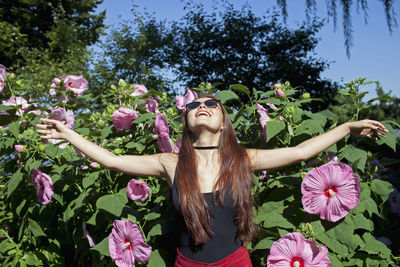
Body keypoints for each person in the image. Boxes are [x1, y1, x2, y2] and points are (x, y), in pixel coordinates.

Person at [36, 95, 388, 267]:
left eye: (211, 103)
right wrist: (69, 135)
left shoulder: (242, 159)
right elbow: (112, 161)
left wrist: (346, 127)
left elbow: (298, 151)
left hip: (235, 263)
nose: (201, 105)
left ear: (223, 121)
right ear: (186, 122)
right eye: (193, 105)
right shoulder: (170, 163)